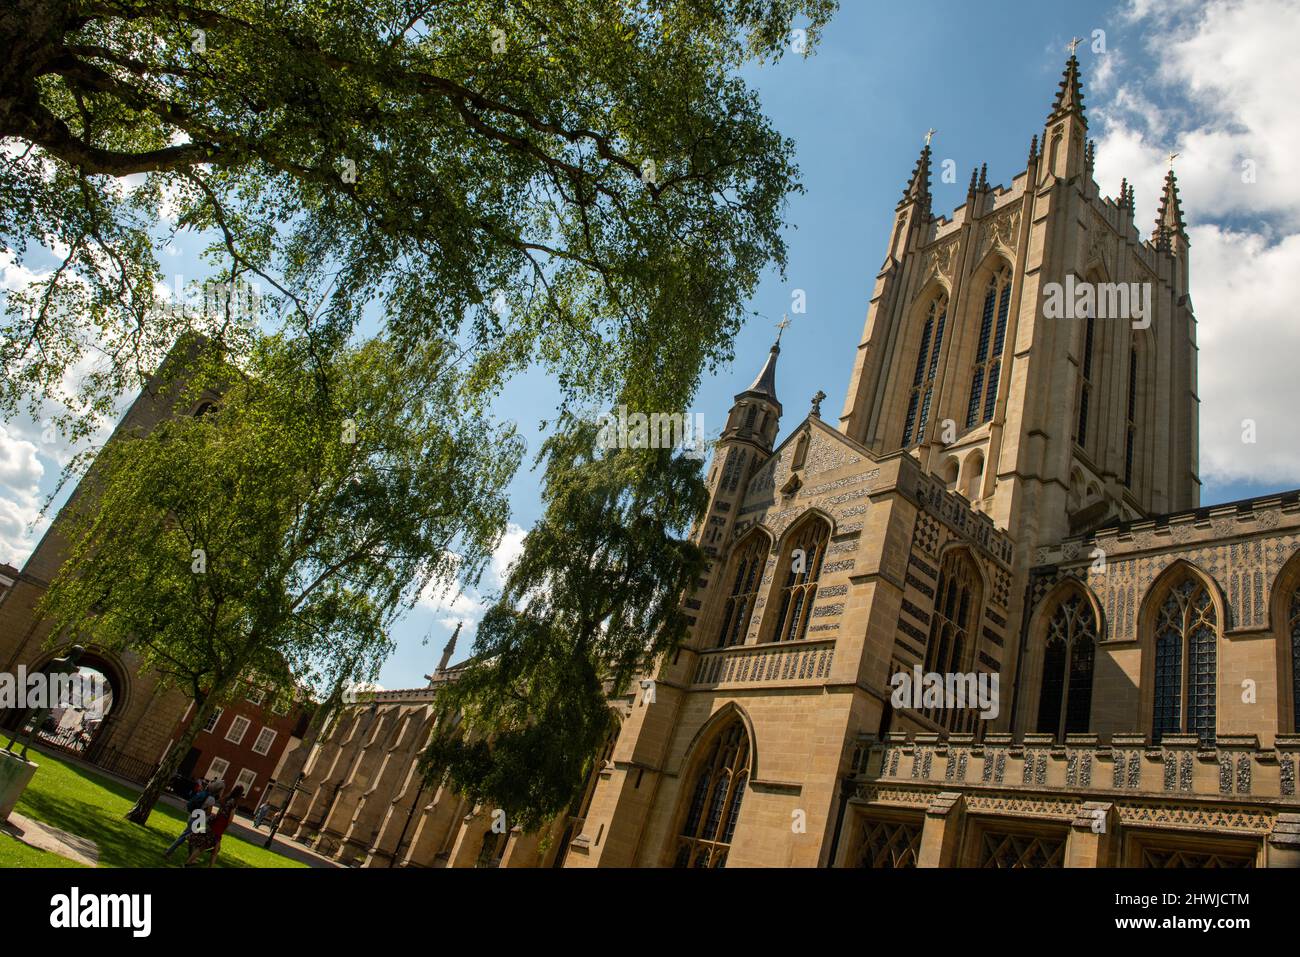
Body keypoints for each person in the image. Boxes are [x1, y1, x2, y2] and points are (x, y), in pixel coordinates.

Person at [185, 785, 244, 868]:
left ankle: (195, 863)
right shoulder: (234, 803)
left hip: (216, 821)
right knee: (205, 846)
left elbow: (220, 810)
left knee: (214, 848)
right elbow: (230, 818)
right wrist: (226, 826)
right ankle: (188, 862)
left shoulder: (225, 799)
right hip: (220, 825)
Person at [164, 778, 223, 857]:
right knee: (186, 837)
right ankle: (169, 852)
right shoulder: (211, 799)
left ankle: (190, 857)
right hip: (199, 819)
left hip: (193, 815)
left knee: (193, 839)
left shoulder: (203, 793)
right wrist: (212, 815)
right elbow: (208, 813)